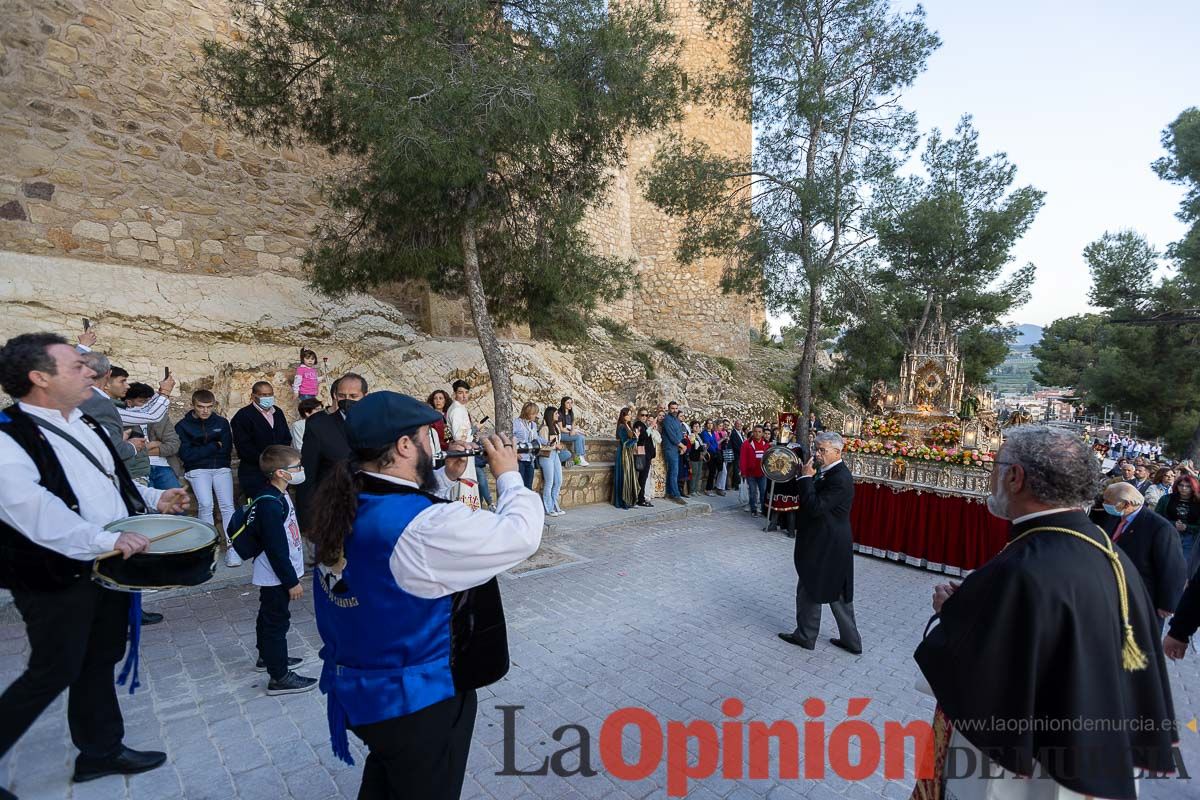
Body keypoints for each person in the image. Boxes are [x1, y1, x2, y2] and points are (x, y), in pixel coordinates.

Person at [912, 426, 1177, 800]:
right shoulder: (1101, 547)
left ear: (1015, 477)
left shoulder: (1025, 565)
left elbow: (983, 672)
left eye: (996, 464)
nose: (992, 475)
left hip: (1020, 771)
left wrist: (952, 613)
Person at [306, 392, 543, 799]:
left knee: (388, 778)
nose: (435, 444)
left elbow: (407, 523)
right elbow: (521, 536)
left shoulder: (346, 500)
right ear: (403, 446)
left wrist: (445, 478)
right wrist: (509, 474)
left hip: (362, 691)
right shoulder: (422, 527)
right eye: (427, 437)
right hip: (417, 701)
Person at [0, 333, 190, 788]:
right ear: (39, 378)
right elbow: (34, 513)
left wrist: (154, 498)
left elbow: (110, 482)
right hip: (53, 573)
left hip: (105, 564)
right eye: (77, 365)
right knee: (54, 668)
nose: (91, 371)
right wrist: (106, 539)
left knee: (100, 656)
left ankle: (100, 751)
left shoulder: (81, 421)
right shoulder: (9, 437)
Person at [777, 432, 860, 654]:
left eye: (822, 450)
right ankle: (851, 641)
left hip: (826, 543)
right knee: (834, 591)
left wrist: (805, 479)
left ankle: (806, 636)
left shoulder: (840, 478)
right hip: (830, 541)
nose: (817, 454)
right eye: (816, 448)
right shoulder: (827, 471)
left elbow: (815, 507)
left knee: (811, 587)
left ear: (837, 452)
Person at [250, 445, 318, 695]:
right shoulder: (270, 504)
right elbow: (276, 549)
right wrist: (291, 581)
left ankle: (267, 657)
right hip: (275, 575)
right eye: (296, 467)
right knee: (276, 622)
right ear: (281, 473)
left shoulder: (280, 494)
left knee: (269, 615)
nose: (301, 470)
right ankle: (279, 676)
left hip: (278, 572)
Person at [1101, 482, 1186, 631]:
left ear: (1126, 504)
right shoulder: (1114, 517)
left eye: (1108, 502)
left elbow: (1172, 568)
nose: (1104, 504)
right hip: (1112, 592)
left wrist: (1167, 604)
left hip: (1143, 598)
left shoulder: (1160, 528)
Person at [176, 390, 241, 567]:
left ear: (214, 406)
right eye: (200, 407)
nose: (205, 411)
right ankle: (208, 550)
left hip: (220, 467)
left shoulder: (221, 422)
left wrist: (203, 449)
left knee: (228, 506)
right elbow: (186, 455)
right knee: (205, 505)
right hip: (197, 469)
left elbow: (226, 448)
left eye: (209, 407)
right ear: (193, 405)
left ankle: (233, 548)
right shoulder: (183, 426)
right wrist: (213, 445)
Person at [296, 373, 367, 531]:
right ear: (335, 395)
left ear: (365, 396)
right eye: (342, 395)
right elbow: (308, 476)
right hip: (333, 517)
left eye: (353, 396)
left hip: (370, 515)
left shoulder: (379, 424)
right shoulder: (319, 427)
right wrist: (307, 522)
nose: (347, 400)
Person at [231, 381, 292, 498]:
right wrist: (265, 460)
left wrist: (280, 458)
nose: (268, 398)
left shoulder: (278, 412)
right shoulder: (243, 416)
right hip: (254, 473)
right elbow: (243, 446)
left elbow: (286, 437)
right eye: (263, 395)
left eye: (270, 394)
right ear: (254, 396)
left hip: (279, 471)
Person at [123, 382, 181, 491]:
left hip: (163, 466)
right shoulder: (123, 418)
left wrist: (140, 449)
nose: (147, 405)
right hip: (136, 469)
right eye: (142, 401)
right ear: (129, 402)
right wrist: (154, 444)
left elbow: (174, 445)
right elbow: (123, 450)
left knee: (176, 503)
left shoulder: (161, 417)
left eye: (149, 402)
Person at [445, 380, 483, 511]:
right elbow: (458, 436)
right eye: (460, 393)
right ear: (454, 394)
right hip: (461, 452)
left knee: (468, 482)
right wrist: (475, 428)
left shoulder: (461, 408)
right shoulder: (456, 410)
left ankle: (467, 509)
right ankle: (463, 510)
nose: (464, 396)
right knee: (464, 482)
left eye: (466, 392)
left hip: (466, 451)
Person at [1155, 473, 1200, 568]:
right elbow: (1157, 517)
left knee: (1184, 564)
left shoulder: (1197, 502)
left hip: (1190, 537)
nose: (1184, 488)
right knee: (1165, 562)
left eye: (1188, 486)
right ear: (1176, 485)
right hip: (1169, 533)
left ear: (1193, 487)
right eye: (1181, 485)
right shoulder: (1166, 499)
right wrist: (1173, 524)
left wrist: (1186, 527)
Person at [538, 406, 565, 517]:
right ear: (550, 415)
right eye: (556, 413)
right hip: (547, 456)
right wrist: (554, 446)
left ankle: (554, 504)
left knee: (558, 481)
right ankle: (548, 508)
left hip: (555, 455)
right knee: (549, 482)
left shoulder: (556, 427)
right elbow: (542, 446)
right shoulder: (544, 428)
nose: (558, 415)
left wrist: (559, 446)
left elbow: (557, 442)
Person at [739, 425, 769, 516]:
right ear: (753, 432)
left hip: (762, 473)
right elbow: (743, 458)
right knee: (752, 492)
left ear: (762, 433)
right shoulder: (746, 443)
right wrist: (743, 471)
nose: (757, 433)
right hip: (750, 473)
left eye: (759, 432)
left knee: (763, 491)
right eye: (755, 431)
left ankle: (764, 510)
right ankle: (754, 509)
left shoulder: (766, 444)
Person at [660, 401, 686, 506]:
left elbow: (679, 434)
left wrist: (681, 446)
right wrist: (682, 445)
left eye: (676, 408)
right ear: (668, 408)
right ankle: (676, 495)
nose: (674, 410)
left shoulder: (676, 419)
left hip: (676, 448)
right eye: (672, 408)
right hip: (670, 448)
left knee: (672, 471)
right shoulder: (667, 420)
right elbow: (671, 436)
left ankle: (669, 492)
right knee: (674, 472)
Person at [511, 402, 541, 490]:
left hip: (530, 458)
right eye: (534, 413)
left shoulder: (533, 425)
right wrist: (514, 453)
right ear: (528, 413)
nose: (536, 415)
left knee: (528, 486)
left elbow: (536, 438)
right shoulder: (517, 423)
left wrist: (548, 442)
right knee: (519, 486)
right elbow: (510, 438)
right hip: (520, 459)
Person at [613, 407, 638, 509]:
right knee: (624, 477)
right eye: (628, 414)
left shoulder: (628, 426)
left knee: (629, 476)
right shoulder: (622, 427)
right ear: (623, 416)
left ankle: (628, 500)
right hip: (623, 455)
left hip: (628, 455)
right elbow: (625, 443)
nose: (630, 416)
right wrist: (636, 438)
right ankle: (622, 501)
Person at [632, 408, 655, 508]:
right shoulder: (638, 424)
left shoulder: (643, 425)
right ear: (638, 415)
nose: (644, 417)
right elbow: (643, 436)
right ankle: (640, 499)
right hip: (642, 454)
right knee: (642, 477)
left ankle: (640, 497)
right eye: (642, 415)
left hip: (647, 454)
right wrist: (650, 427)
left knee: (643, 477)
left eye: (646, 415)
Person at [558, 397, 589, 466]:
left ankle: (580, 457)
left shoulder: (570, 413)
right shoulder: (559, 414)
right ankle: (579, 458)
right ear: (563, 403)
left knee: (581, 437)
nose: (570, 405)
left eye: (571, 403)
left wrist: (573, 430)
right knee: (578, 437)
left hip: (568, 432)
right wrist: (570, 432)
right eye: (568, 403)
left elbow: (572, 424)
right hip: (561, 434)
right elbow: (560, 429)